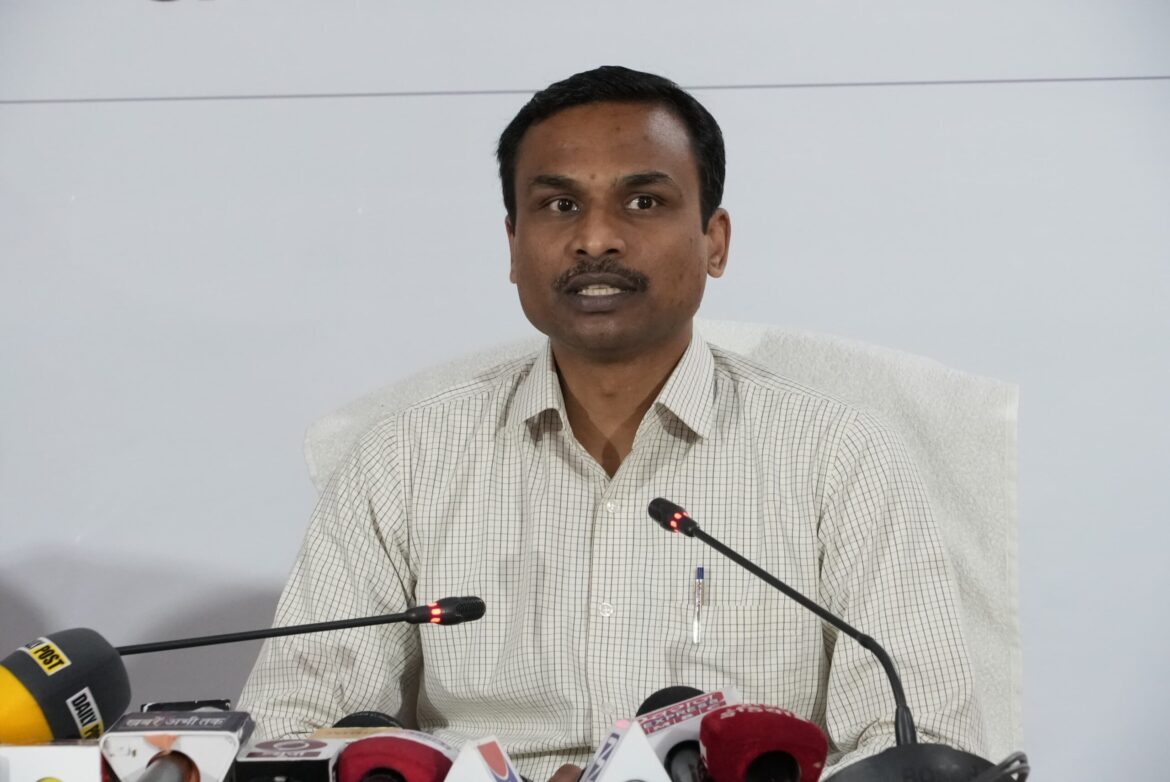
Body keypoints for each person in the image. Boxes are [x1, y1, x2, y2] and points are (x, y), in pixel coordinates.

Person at [238, 66, 984, 779]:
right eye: (560, 206)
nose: (596, 239)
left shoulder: (838, 456)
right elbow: (290, 728)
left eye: (644, 202)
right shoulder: (402, 458)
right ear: (513, 245)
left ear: (715, 241)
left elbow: (917, 745)